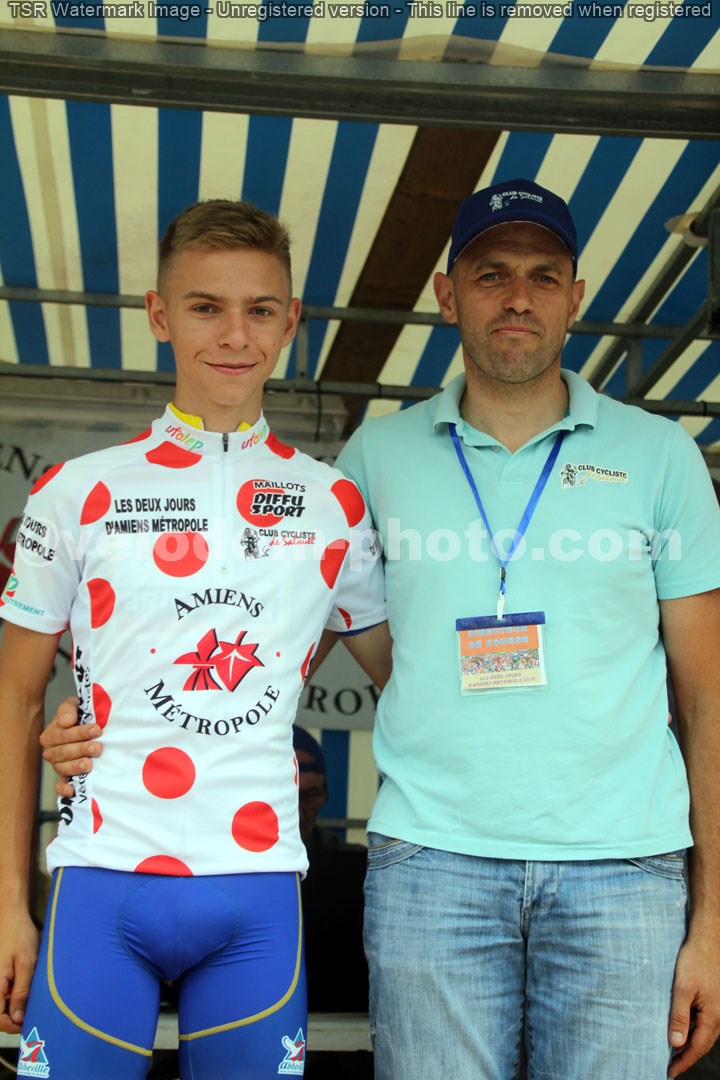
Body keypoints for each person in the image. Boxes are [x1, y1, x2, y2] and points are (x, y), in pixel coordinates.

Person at [35, 179, 720, 1079]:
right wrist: (107, 728)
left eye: (544, 276)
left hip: (624, 867)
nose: (518, 297)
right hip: (431, 863)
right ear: (447, 295)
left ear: (577, 297)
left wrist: (714, 923)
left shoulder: (661, 455)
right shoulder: (367, 464)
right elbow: (264, 654)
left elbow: (707, 700)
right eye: (491, 274)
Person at [0, 199, 391, 1080]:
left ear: (290, 321)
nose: (235, 335)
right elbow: (16, 701)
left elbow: (403, 679)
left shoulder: (333, 502)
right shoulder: (75, 491)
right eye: (206, 306)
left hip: (258, 889)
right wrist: (5, 907)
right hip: (100, 876)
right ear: (159, 313)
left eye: (260, 309)